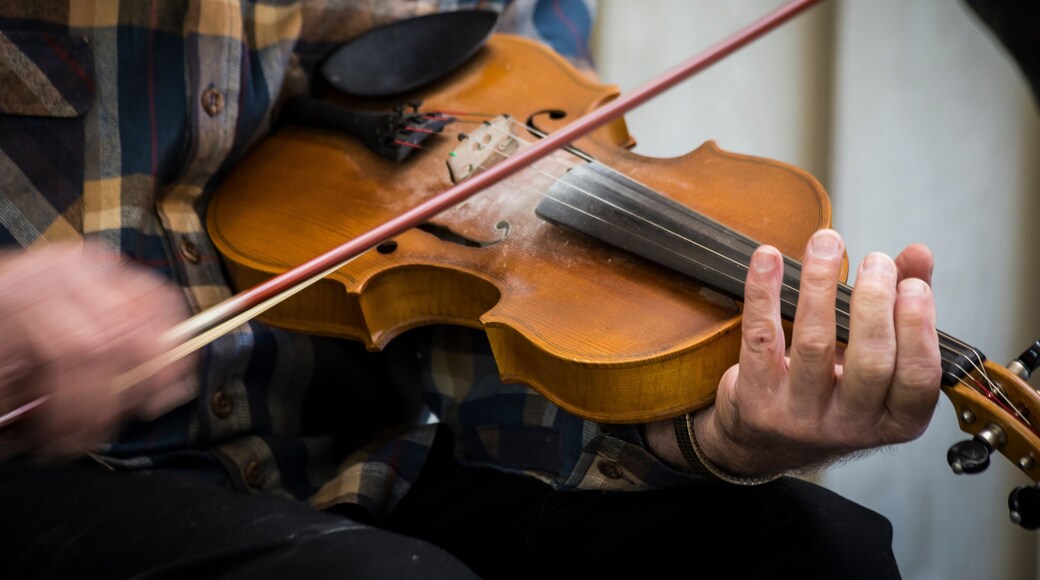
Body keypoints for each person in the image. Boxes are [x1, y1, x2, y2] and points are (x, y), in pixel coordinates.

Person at [0, 1, 940, 578]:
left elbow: (481, 303)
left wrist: (703, 434)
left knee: (814, 551)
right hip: (54, 477)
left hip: (352, 450)